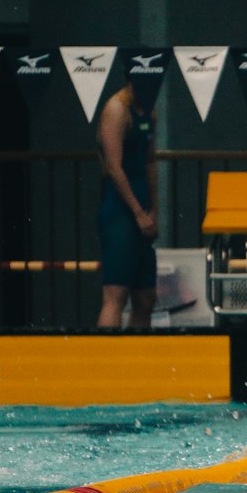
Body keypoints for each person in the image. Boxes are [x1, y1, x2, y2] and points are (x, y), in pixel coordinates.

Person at [96, 81, 158, 329]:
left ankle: (137, 362)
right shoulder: (116, 109)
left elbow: (150, 162)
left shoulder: (149, 111)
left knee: (146, 298)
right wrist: (138, 212)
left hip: (143, 209)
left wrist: (154, 210)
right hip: (119, 212)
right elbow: (114, 168)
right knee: (116, 295)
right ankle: (105, 363)